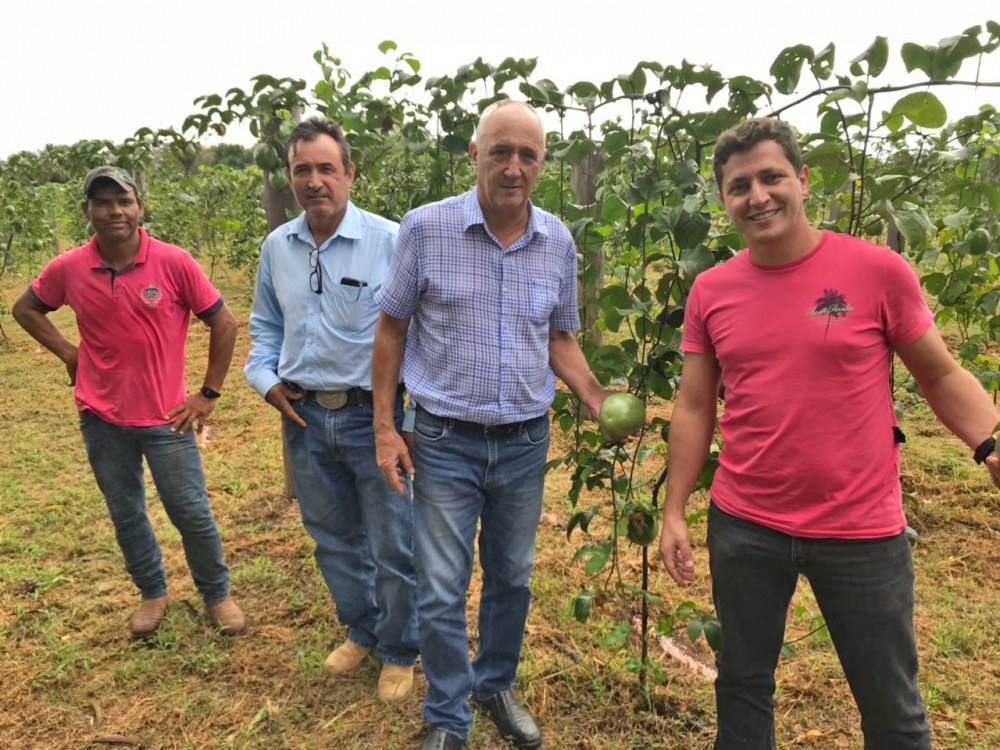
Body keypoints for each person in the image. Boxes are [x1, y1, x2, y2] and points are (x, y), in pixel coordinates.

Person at [657, 117, 1000, 750]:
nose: (757, 196)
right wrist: (674, 509)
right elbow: (695, 407)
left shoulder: (876, 270)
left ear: (803, 180)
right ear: (723, 200)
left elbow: (941, 374)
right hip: (746, 525)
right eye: (739, 186)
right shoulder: (712, 290)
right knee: (742, 686)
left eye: (770, 177)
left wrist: (990, 444)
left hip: (861, 530)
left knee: (892, 710)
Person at [372, 100, 608, 750]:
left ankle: (495, 682)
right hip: (445, 440)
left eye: (527, 155)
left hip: (526, 443)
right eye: (499, 151)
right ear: (474, 155)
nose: (513, 166)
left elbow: (560, 337)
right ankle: (449, 716)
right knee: (442, 586)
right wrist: (386, 428)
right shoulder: (425, 228)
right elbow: (391, 329)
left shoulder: (557, 239)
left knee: (513, 576)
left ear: (542, 164)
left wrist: (594, 396)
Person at [12, 166, 247, 639]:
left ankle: (216, 594)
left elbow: (225, 324)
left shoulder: (174, 262)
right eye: (102, 202)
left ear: (140, 207)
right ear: (87, 211)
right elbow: (25, 308)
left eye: (123, 201)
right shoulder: (69, 268)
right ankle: (152, 591)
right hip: (100, 416)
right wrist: (69, 353)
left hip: (168, 418)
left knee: (191, 512)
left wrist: (207, 395)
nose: (114, 211)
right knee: (125, 510)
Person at [244, 117, 419, 701]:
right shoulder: (278, 247)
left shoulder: (392, 241)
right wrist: (267, 381)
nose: (315, 181)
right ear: (290, 177)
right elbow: (266, 328)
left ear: (349, 172)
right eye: (302, 170)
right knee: (332, 537)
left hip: (375, 418)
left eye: (326, 168)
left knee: (393, 539)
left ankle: (400, 647)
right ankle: (362, 629)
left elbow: (416, 333)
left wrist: (399, 420)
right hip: (305, 417)